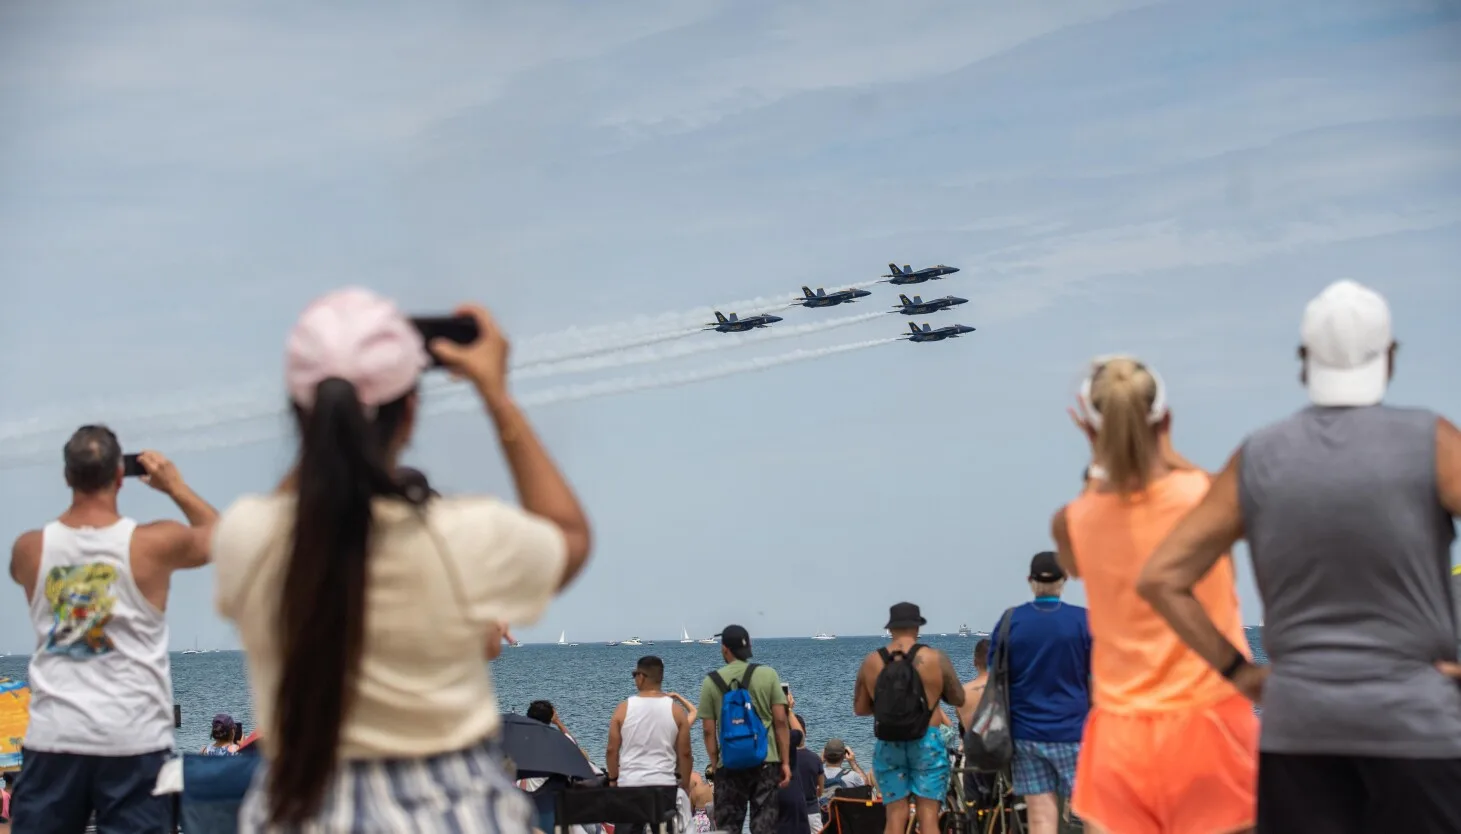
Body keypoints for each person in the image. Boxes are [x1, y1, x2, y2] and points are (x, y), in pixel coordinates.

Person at [211, 289, 592, 831]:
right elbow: (569, 536)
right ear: (410, 414)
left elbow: (293, 507)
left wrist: (323, 421)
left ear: (301, 413)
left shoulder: (247, 537)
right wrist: (494, 392)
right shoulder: (459, 534)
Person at [1139, 279, 1461, 834]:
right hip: (1415, 720)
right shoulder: (1428, 441)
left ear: (1304, 361)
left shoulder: (1260, 455)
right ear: (1390, 357)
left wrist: (1240, 672)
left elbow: (1162, 577)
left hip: (1299, 722)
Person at [1053, 354, 1257, 834]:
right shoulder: (1206, 495)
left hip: (1120, 737)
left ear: (1088, 426)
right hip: (1211, 724)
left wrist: (1103, 458)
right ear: (1164, 417)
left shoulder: (1073, 521)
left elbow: (1075, 561)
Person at [8, 430, 217, 832]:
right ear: (120, 476)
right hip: (133, 738)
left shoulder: (30, 550)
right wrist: (174, 486)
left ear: (67, 476)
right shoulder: (152, 545)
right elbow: (220, 536)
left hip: (55, 737)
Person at [987, 553, 1091, 834]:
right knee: (1093, 813)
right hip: (1075, 732)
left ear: (1030, 581)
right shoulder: (1083, 621)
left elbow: (994, 674)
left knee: (1041, 818)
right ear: (1064, 579)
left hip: (1026, 734)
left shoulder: (1011, 621)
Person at [853, 602, 964, 834]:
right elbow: (958, 699)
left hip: (889, 742)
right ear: (917, 627)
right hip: (928, 741)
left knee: (895, 815)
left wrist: (889, 708)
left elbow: (861, 709)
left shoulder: (872, 661)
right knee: (928, 817)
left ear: (891, 629)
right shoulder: (935, 658)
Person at [698, 624, 791, 834]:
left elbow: (708, 730)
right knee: (764, 828)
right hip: (766, 763)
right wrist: (785, 762)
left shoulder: (711, 682)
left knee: (729, 828)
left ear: (724, 649)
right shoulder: (768, 675)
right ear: (748, 647)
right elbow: (781, 721)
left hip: (729, 765)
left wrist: (716, 764)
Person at [606, 656, 693, 793]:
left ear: (641, 677)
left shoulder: (622, 709)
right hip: (664, 784)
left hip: (629, 783)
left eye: (635, 674)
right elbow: (686, 753)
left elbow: (612, 750)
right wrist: (686, 785)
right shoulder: (677, 711)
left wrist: (613, 779)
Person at [818, 739, 868, 817]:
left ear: (824, 755)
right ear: (844, 755)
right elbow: (866, 789)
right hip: (843, 823)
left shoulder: (814, 775)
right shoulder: (852, 776)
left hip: (821, 823)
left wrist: (819, 762)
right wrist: (853, 763)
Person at [955, 638, 991, 733]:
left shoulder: (962, 692)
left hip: (973, 746)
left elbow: (962, 724)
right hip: (1002, 746)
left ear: (975, 662)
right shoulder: (1007, 688)